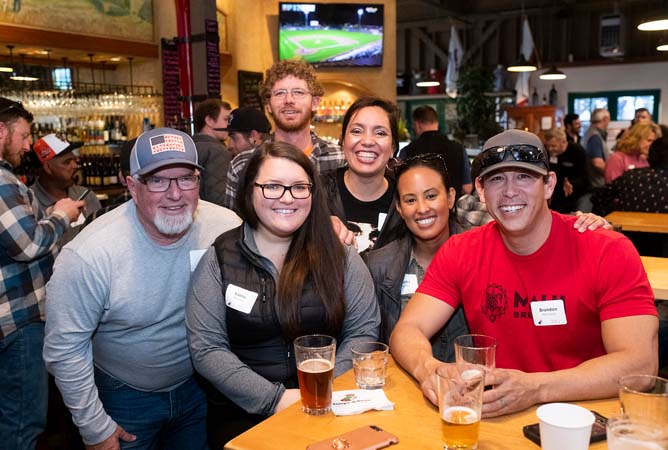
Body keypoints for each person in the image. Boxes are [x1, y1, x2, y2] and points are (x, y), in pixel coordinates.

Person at [390, 129, 658, 418]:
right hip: (499, 419)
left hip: (583, 419)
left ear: (549, 185)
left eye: (524, 176)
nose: (509, 191)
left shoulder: (608, 250)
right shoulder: (461, 251)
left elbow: (639, 366)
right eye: (497, 179)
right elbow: (407, 330)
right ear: (481, 190)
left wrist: (535, 388)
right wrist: (430, 369)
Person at [43, 128, 241, 450]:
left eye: (186, 178)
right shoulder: (90, 255)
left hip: (202, 388)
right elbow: (65, 349)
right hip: (124, 396)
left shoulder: (226, 227)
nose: (175, 194)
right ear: (132, 187)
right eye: (158, 181)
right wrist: (95, 427)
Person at [186, 141, 380, 448]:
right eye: (272, 187)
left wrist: (322, 391)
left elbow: (363, 330)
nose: (287, 198)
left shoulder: (340, 255)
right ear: (250, 190)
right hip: (243, 416)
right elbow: (207, 349)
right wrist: (274, 400)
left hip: (330, 405)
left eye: (299, 187)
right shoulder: (220, 258)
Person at [0, 98, 83, 450]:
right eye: (22, 136)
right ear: (1, 131)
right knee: (22, 425)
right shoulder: (3, 180)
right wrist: (60, 215)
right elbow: (28, 245)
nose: (24, 145)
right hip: (18, 321)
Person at [364, 153, 468, 362]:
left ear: (450, 197)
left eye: (431, 196)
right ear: (400, 209)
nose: (422, 209)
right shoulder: (377, 266)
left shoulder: (480, 255)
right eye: (410, 200)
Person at [223, 59, 346, 212]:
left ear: (315, 102)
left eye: (298, 92)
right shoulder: (242, 165)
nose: (289, 100)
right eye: (280, 93)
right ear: (268, 105)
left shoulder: (340, 159)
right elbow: (237, 229)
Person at [320, 96, 401, 252]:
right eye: (357, 131)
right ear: (342, 142)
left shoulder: (404, 200)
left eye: (380, 133)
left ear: (392, 148)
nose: (368, 141)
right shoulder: (316, 194)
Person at [30, 133, 102, 244]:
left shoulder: (86, 195)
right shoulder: (28, 202)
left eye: (74, 160)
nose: (75, 166)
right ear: (48, 167)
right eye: (67, 162)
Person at [593, 124, 668, 215]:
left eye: (654, 141)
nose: (652, 145)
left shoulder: (647, 159)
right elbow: (612, 191)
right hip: (622, 211)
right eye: (649, 140)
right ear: (636, 139)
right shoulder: (617, 158)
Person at [400, 105, 472, 197]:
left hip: (421, 208)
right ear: (437, 123)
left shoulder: (408, 151)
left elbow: (402, 186)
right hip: (451, 207)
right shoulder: (458, 148)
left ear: (417, 125)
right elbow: (467, 187)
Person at [192, 98, 232, 206]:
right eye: (226, 119)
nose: (229, 125)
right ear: (209, 120)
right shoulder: (218, 151)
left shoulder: (189, 147)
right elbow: (219, 199)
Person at [542, 128, 590, 213]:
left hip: (578, 193)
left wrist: (572, 184)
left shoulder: (577, 151)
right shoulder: (548, 153)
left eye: (553, 146)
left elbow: (585, 177)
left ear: (563, 142)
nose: (550, 149)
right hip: (557, 194)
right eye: (547, 146)